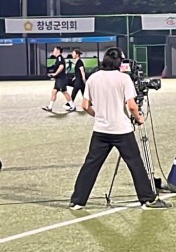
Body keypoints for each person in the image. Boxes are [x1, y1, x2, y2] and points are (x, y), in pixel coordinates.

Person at [69, 47, 170, 210]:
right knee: (136, 164)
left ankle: (77, 200)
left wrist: (99, 115)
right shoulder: (124, 79)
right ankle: (147, 199)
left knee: (91, 165)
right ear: (119, 62)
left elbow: (85, 105)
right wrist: (139, 118)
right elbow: (131, 105)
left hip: (100, 130)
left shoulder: (93, 78)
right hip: (121, 130)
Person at [42, 45, 74, 113]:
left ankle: (72, 106)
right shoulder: (58, 58)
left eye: (54, 50)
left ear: (58, 51)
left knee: (64, 92)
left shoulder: (59, 58)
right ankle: (50, 107)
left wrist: (55, 74)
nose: (53, 51)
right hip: (58, 79)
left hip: (61, 79)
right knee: (54, 92)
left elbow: (61, 66)